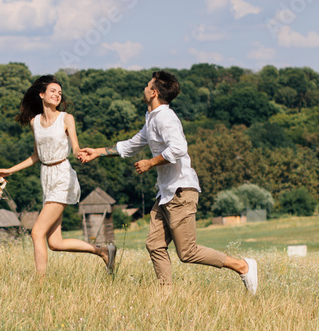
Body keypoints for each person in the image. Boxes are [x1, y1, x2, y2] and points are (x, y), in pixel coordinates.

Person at [80, 70, 258, 293]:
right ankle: (166, 294)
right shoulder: (152, 118)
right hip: (166, 193)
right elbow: (131, 144)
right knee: (154, 244)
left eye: (147, 86)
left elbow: (179, 148)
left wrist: (150, 163)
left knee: (188, 252)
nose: (144, 89)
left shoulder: (165, 118)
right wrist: (97, 152)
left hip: (181, 191)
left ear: (154, 92)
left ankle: (242, 266)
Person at [0, 75, 116, 277]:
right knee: (55, 243)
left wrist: (81, 153)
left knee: (36, 233)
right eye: (53, 91)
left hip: (62, 175)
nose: (57, 95)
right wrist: (10, 170)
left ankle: (40, 286)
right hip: (47, 177)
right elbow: (36, 156)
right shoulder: (35, 123)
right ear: (41, 95)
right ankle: (103, 250)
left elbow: (75, 146)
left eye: (59, 92)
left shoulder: (66, 118)